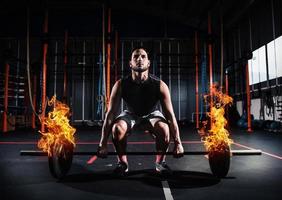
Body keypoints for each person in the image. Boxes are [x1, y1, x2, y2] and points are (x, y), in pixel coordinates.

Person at [97, 47, 184, 175]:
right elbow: (110, 114)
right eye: (136, 57)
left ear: (148, 63)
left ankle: (160, 163)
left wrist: (178, 143)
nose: (139, 59)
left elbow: (170, 115)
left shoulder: (160, 85)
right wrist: (102, 143)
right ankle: (123, 163)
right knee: (117, 128)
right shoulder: (120, 84)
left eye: (143, 56)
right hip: (130, 114)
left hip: (152, 114)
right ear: (130, 63)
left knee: (164, 128)